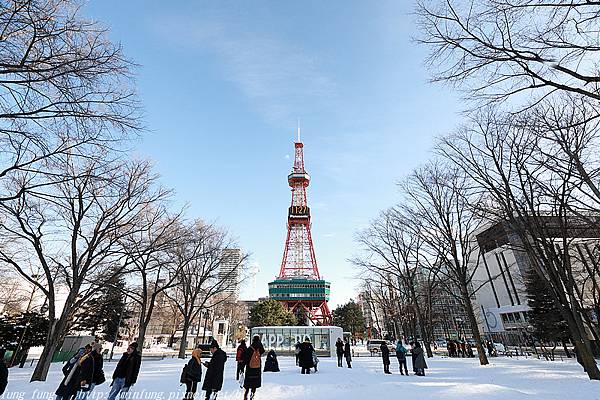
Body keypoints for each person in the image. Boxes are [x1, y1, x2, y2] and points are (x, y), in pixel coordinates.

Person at [243, 335, 265, 400]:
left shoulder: (250, 348)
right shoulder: (260, 348)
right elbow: (263, 351)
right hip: (257, 368)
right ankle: (252, 395)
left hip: (250, 368)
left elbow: (245, 357)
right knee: (254, 384)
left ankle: (245, 396)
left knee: (247, 384)